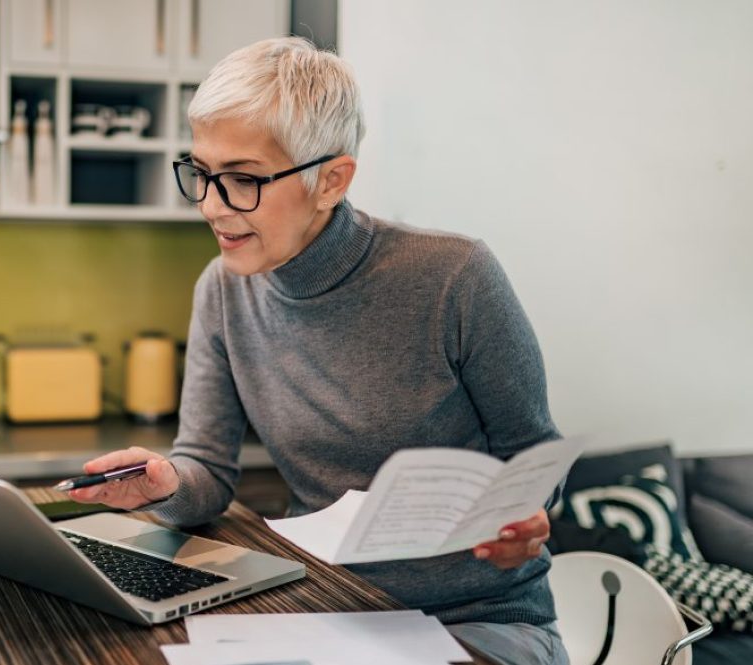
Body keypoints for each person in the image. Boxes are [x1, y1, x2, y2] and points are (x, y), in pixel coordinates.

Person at [66, 37, 569, 665]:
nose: (212, 206)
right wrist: (166, 484)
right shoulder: (223, 291)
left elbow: (535, 456)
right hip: (326, 606)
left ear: (330, 179)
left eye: (243, 179)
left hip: (480, 620)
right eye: (201, 173)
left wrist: (524, 519)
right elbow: (207, 474)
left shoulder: (454, 275)